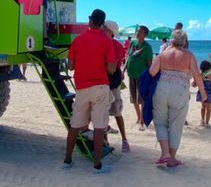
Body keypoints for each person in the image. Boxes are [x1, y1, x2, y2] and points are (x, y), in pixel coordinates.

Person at [62, 9, 116, 174]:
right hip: (100, 87)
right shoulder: (107, 41)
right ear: (102, 24)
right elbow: (112, 68)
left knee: (75, 125)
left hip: (82, 87)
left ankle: (67, 160)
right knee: (99, 126)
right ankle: (97, 165)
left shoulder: (78, 40)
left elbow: (70, 66)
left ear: (90, 21)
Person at [148, 29, 206, 167]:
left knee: (160, 122)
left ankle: (164, 154)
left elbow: (152, 72)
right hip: (180, 91)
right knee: (176, 124)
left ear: (171, 40)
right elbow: (197, 75)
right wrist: (203, 93)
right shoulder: (189, 55)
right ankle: (172, 157)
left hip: (162, 90)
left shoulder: (163, 54)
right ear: (185, 42)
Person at [102, 20, 129, 152]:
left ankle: (124, 139)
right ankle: (105, 139)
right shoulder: (100, 43)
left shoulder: (117, 46)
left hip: (113, 81)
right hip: (102, 80)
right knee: (103, 112)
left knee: (117, 110)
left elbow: (114, 65)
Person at [125, 25, 153, 131]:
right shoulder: (132, 43)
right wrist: (123, 70)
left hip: (141, 76)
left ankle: (142, 120)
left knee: (141, 99)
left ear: (145, 34)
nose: (137, 33)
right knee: (133, 98)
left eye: (140, 31)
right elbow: (129, 57)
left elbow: (150, 64)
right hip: (131, 74)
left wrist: (149, 77)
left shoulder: (147, 47)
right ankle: (138, 116)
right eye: (137, 31)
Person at [192, 60, 211, 128]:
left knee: (203, 107)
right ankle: (207, 122)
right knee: (208, 109)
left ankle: (202, 120)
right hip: (209, 93)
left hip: (202, 92)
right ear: (209, 68)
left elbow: (195, 84)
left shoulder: (200, 76)